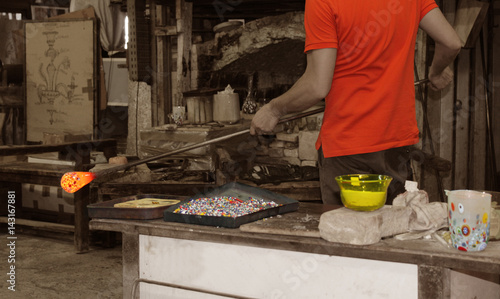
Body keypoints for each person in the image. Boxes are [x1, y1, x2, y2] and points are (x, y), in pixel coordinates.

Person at [250, 0, 462, 205]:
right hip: (395, 145)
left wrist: (274, 109)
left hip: (347, 149)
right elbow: (451, 43)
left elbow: (317, 86)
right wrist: (436, 71)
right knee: (393, 233)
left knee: (347, 236)